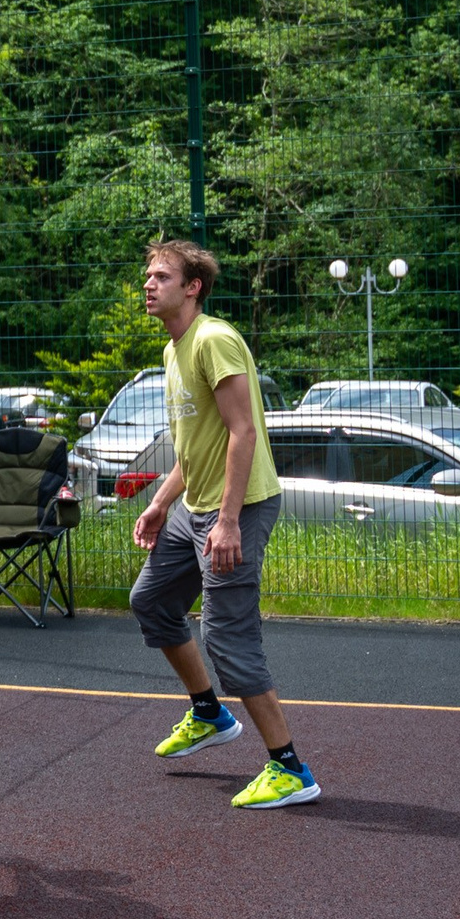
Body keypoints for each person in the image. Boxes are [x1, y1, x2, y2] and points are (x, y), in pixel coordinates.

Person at [128, 239, 318, 810]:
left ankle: (291, 770)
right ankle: (209, 711)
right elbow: (196, 448)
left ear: (193, 287)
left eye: (161, 275)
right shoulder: (174, 350)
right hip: (195, 509)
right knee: (152, 601)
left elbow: (243, 432)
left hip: (239, 508)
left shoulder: (213, 340)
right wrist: (162, 502)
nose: (148, 283)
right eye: (147, 275)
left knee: (226, 636)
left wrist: (229, 522)